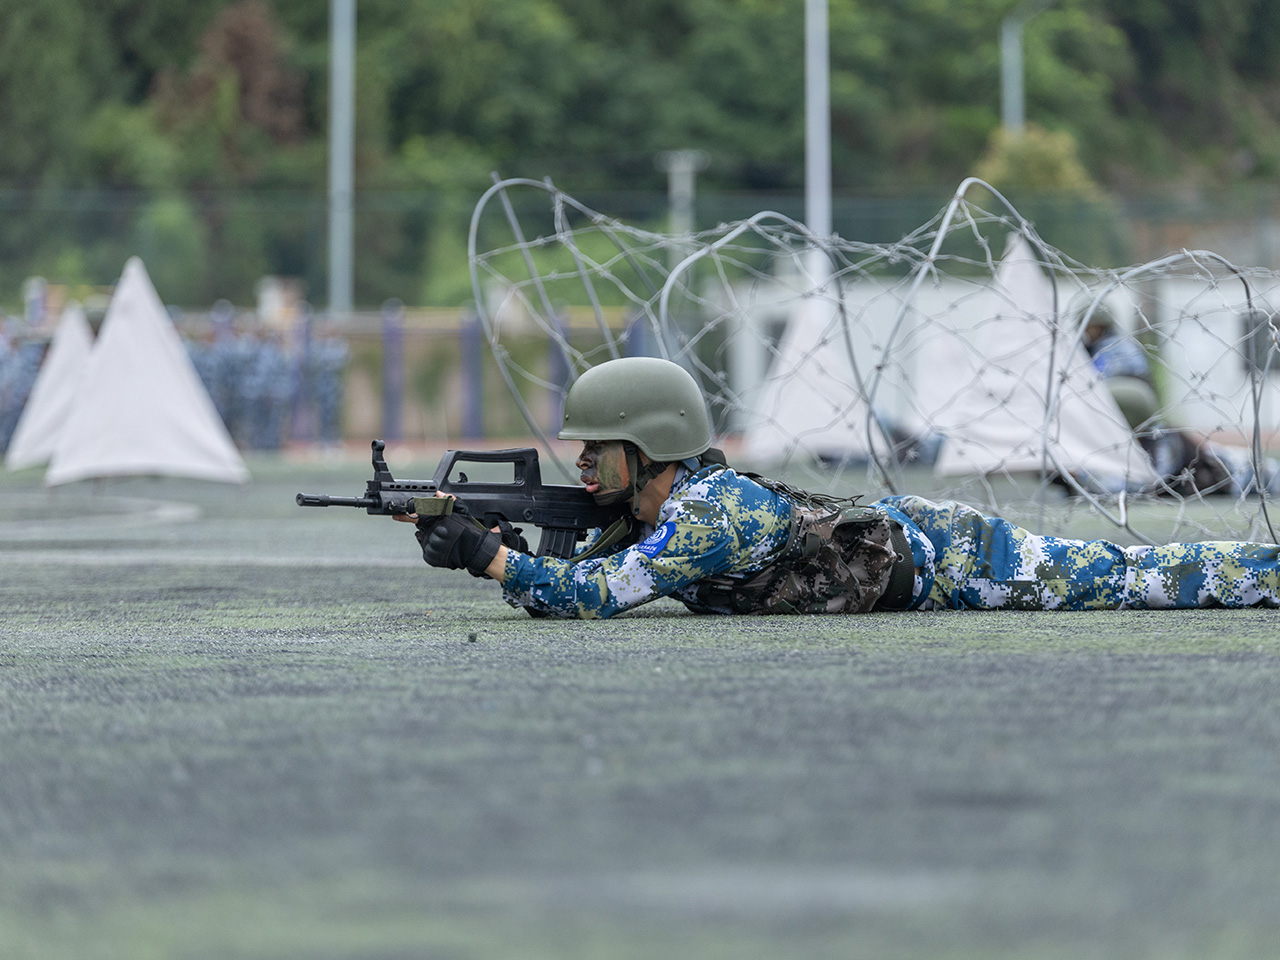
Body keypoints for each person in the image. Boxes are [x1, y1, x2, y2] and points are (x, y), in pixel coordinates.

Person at [406, 357, 1280, 619]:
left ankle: (1267, 571)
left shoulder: (707, 516)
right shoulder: (647, 513)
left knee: (1131, 581)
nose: (584, 466)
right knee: (1127, 578)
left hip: (954, 559)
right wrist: (499, 551)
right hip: (909, 559)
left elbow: (597, 599)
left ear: (654, 444)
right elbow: (567, 592)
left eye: (601, 448)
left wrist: (487, 559)